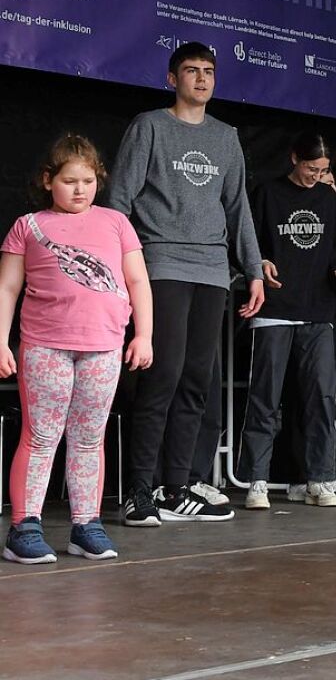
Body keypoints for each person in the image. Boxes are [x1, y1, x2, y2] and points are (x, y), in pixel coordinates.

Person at [108, 41, 264, 526]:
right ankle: (139, 491)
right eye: (192, 71)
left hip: (213, 272)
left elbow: (237, 207)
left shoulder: (226, 137)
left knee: (198, 381)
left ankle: (176, 486)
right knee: (162, 376)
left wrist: (254, 269)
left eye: (209, 71)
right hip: (162, 264)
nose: (201, 79)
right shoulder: (150, 126)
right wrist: (115, 268)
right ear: (171, 78)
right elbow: (118, 201)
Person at [0, 135, 154, 564]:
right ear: (49, 181)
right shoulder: (28, 226)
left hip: (103, 347)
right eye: (70, 181)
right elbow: (7, 288)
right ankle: (23, 527)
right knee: (41, 435)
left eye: (88, 180)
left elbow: (138, 281)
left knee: (89, 439)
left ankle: (87, 525)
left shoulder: (116, 222)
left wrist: (144, 334)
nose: (80, 189)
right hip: (45, 346)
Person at [238, 132, 336, 510]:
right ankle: (257, 479)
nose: (314, 176)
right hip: (274, 309)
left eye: (322, 170)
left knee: (322, 396)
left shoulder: (328, 198)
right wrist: (261, 262)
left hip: (318, 310)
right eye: (309, 168)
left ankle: (319, 478)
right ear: (294, 158)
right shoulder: (268, 194)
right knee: (265, 396)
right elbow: (249, 240)